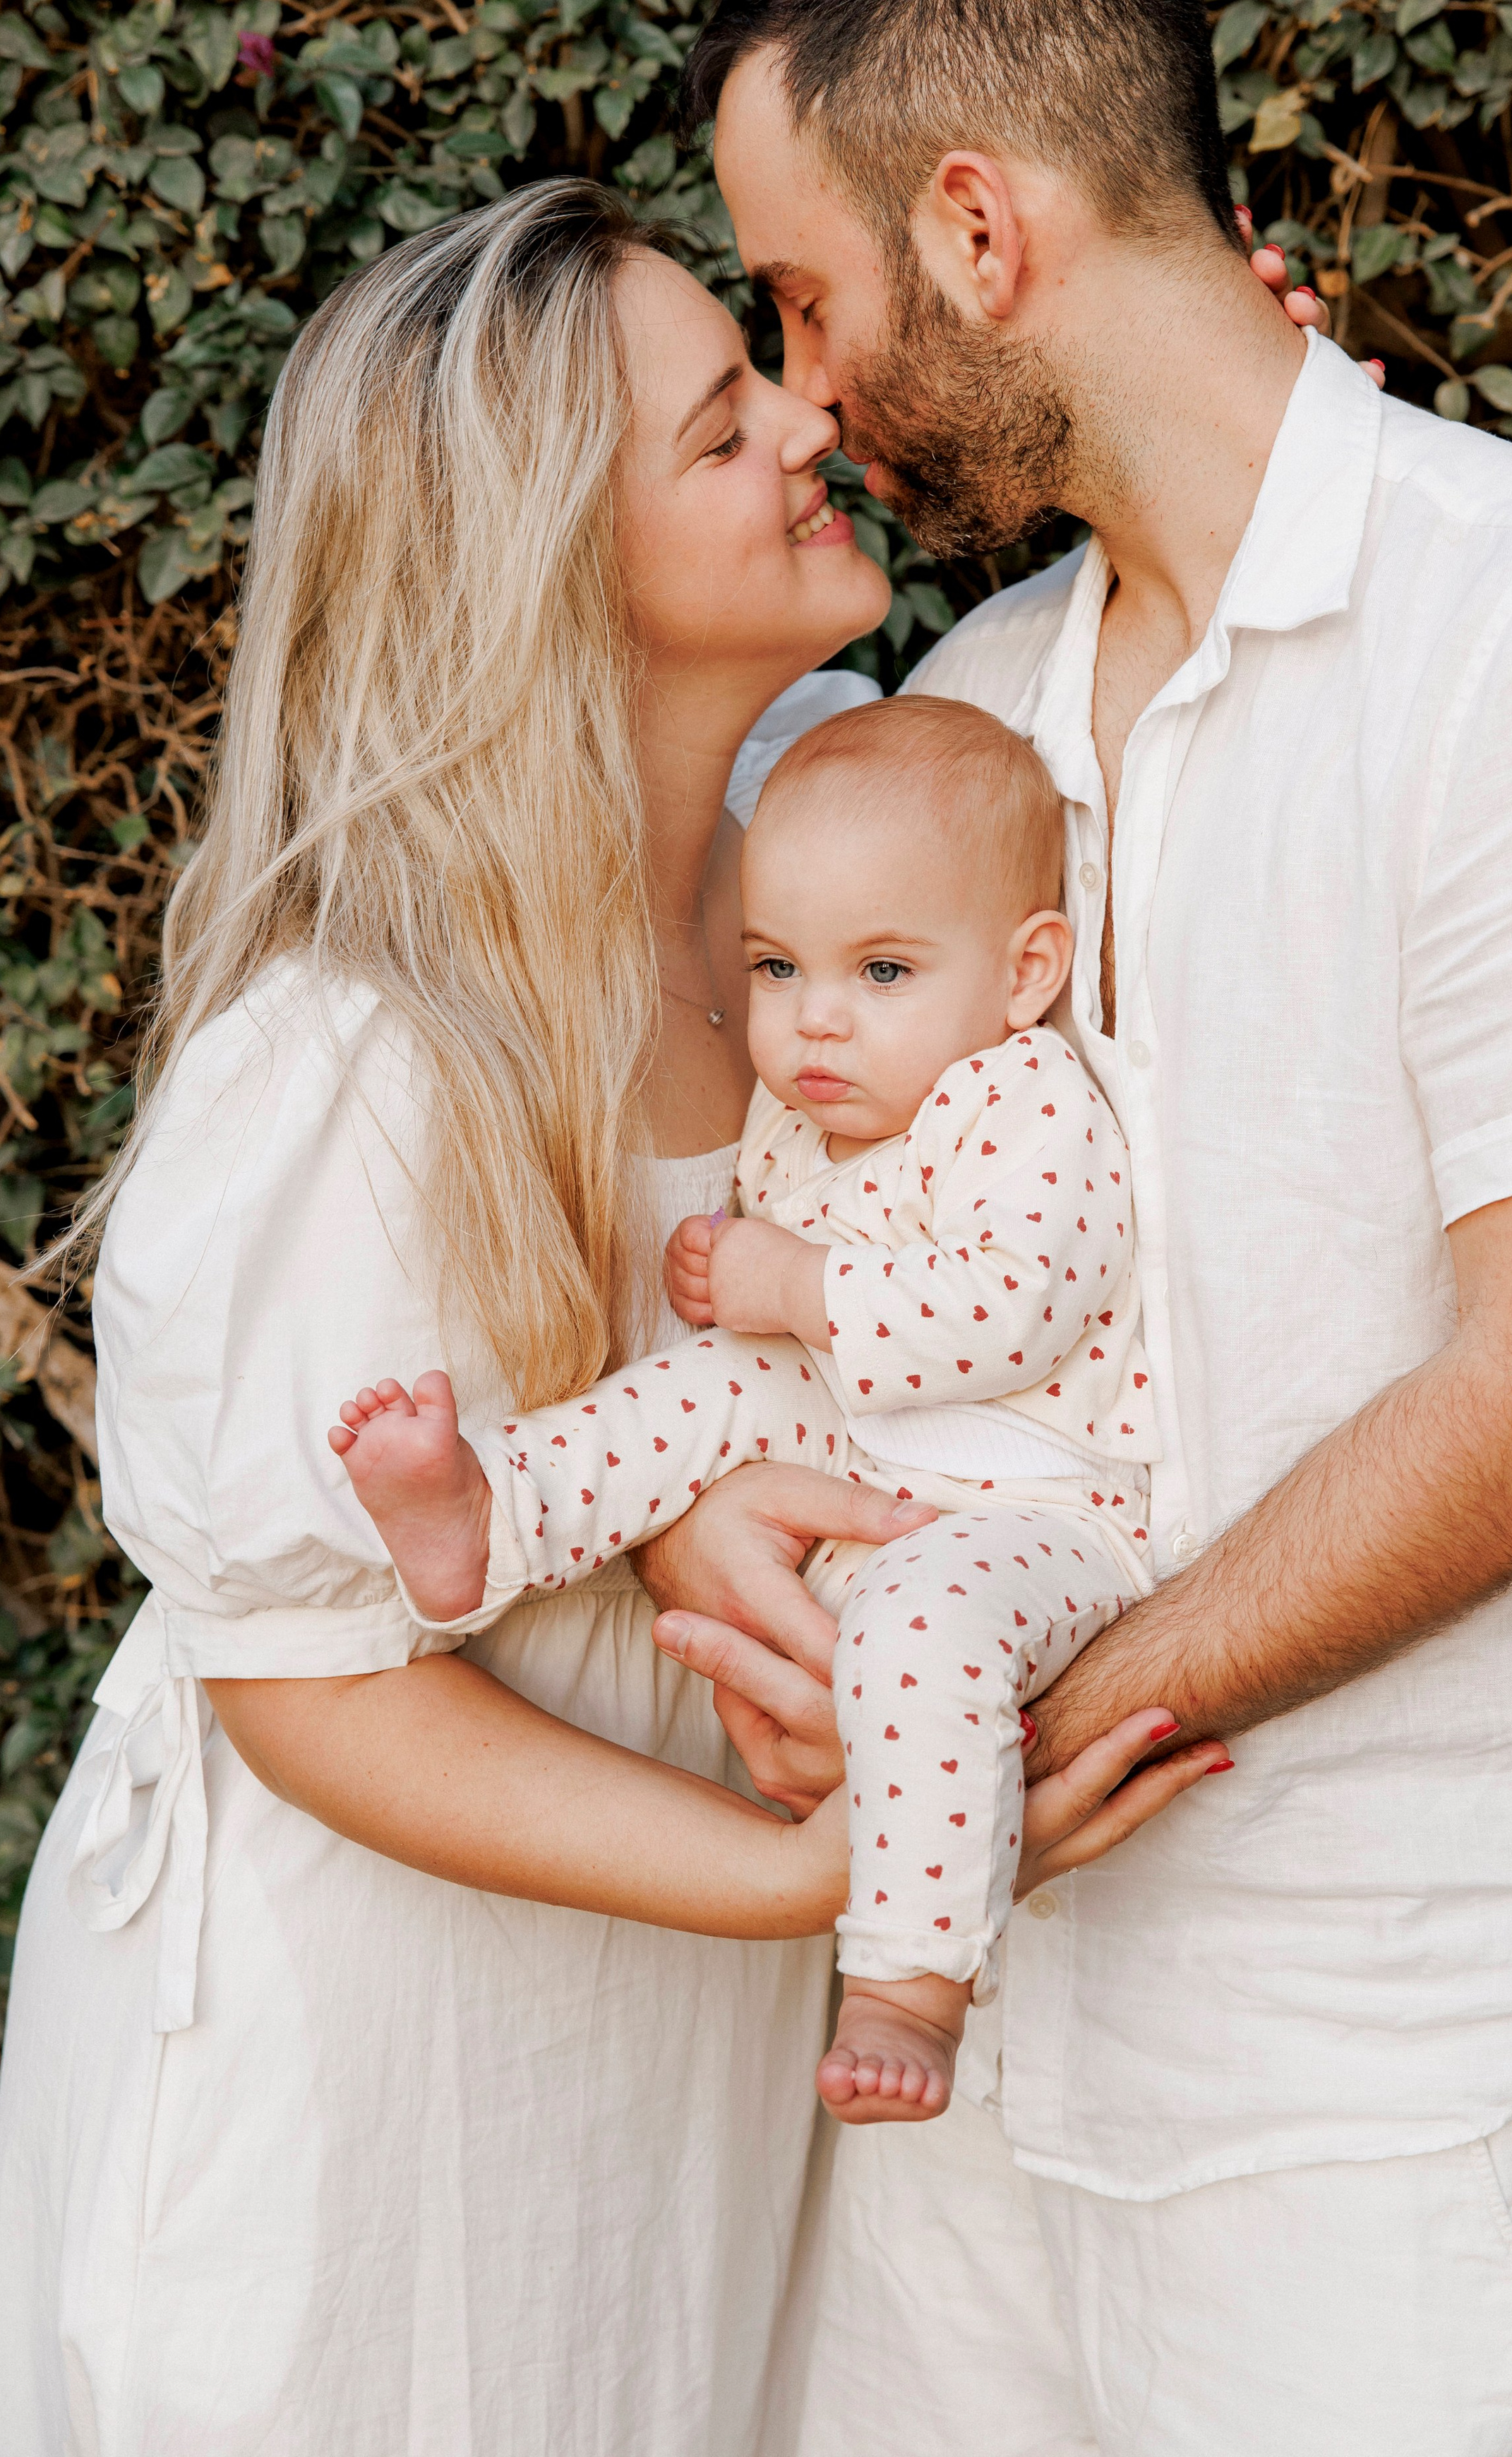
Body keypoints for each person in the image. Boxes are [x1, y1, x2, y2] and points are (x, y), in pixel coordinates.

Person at [652, 0, 1512, 2453]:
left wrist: (1024, 1742)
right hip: (977, 2035)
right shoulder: (979, 710)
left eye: (803, 298)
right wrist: (744, 1541)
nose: (801, 396)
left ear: (980, 226)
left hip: (1387, 2041)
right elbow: (828, 1245)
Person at [0, 181, 1208, 2456]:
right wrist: (817, 1877)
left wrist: (1200, 431)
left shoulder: (838, 871)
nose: (813, 418)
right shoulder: (363, 1065)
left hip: (670, 2047)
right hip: (384, 2042)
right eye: (722, 429)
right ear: (551, 564)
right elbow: (307, 1684)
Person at [328, 695, 1215, 2126]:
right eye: (775, 965)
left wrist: (789, 1282)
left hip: (1040, 1497)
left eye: (877, 969)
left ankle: (909, 1982)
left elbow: (1018, 1305)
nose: (812, 1018)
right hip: (868, 1441)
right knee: (690, 1394)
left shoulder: (1019, 1101)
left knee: (922, 1634)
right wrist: (754, 1288)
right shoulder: (816, 1104)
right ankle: (487, 1518)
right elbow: (762, 1315)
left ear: (1022, 971)